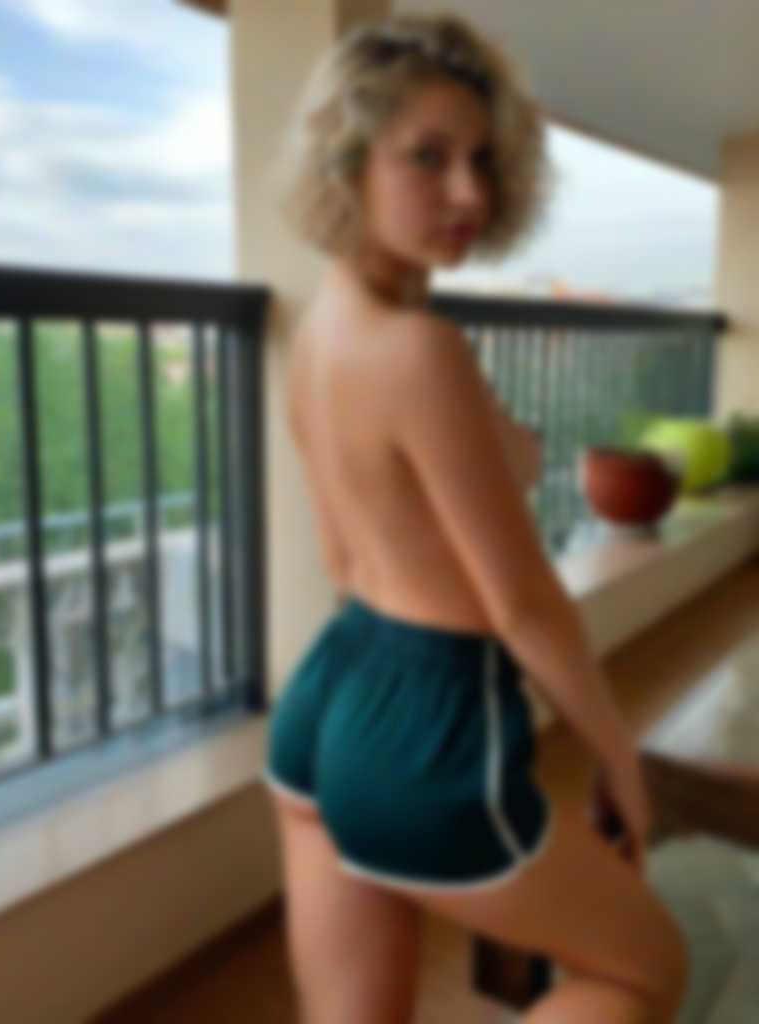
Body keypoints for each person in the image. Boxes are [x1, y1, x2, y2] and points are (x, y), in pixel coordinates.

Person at [260, 12, 688, 1023]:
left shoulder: (320, 330)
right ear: (348, 162)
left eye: (483, 161)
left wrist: (502, 452)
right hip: (427, 727)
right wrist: (620, 760)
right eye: (428, 156)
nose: (469, 194)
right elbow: (524, 603)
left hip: (326, 700)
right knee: (645, 972)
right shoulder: (422, 352)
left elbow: (346, 549)